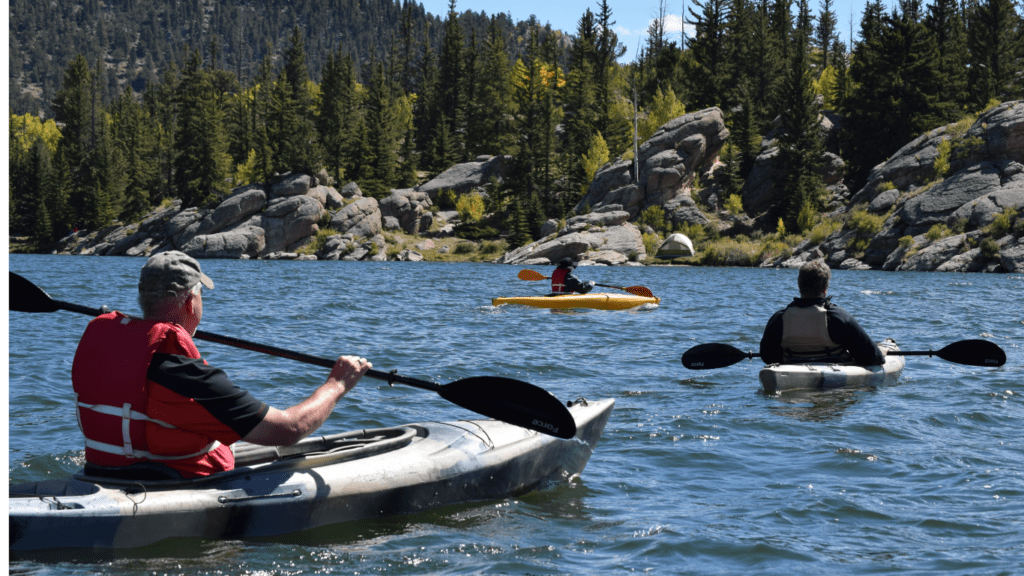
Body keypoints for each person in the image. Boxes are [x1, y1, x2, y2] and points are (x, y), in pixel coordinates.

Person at [71, 251, 372, 480]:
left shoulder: (102, 353)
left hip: (105, 472)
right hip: (170, 484)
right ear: (190, 302)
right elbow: (287, 429)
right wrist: (337, 384)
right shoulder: (183, 372)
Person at [759, 259, 885, 366]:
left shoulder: (779, 319)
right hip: (835, 385)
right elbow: (874, 358)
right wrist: (882, 351)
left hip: (794, 375)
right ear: (824, 289)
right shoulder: (838, 317)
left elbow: (767, 357)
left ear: (799, 286)